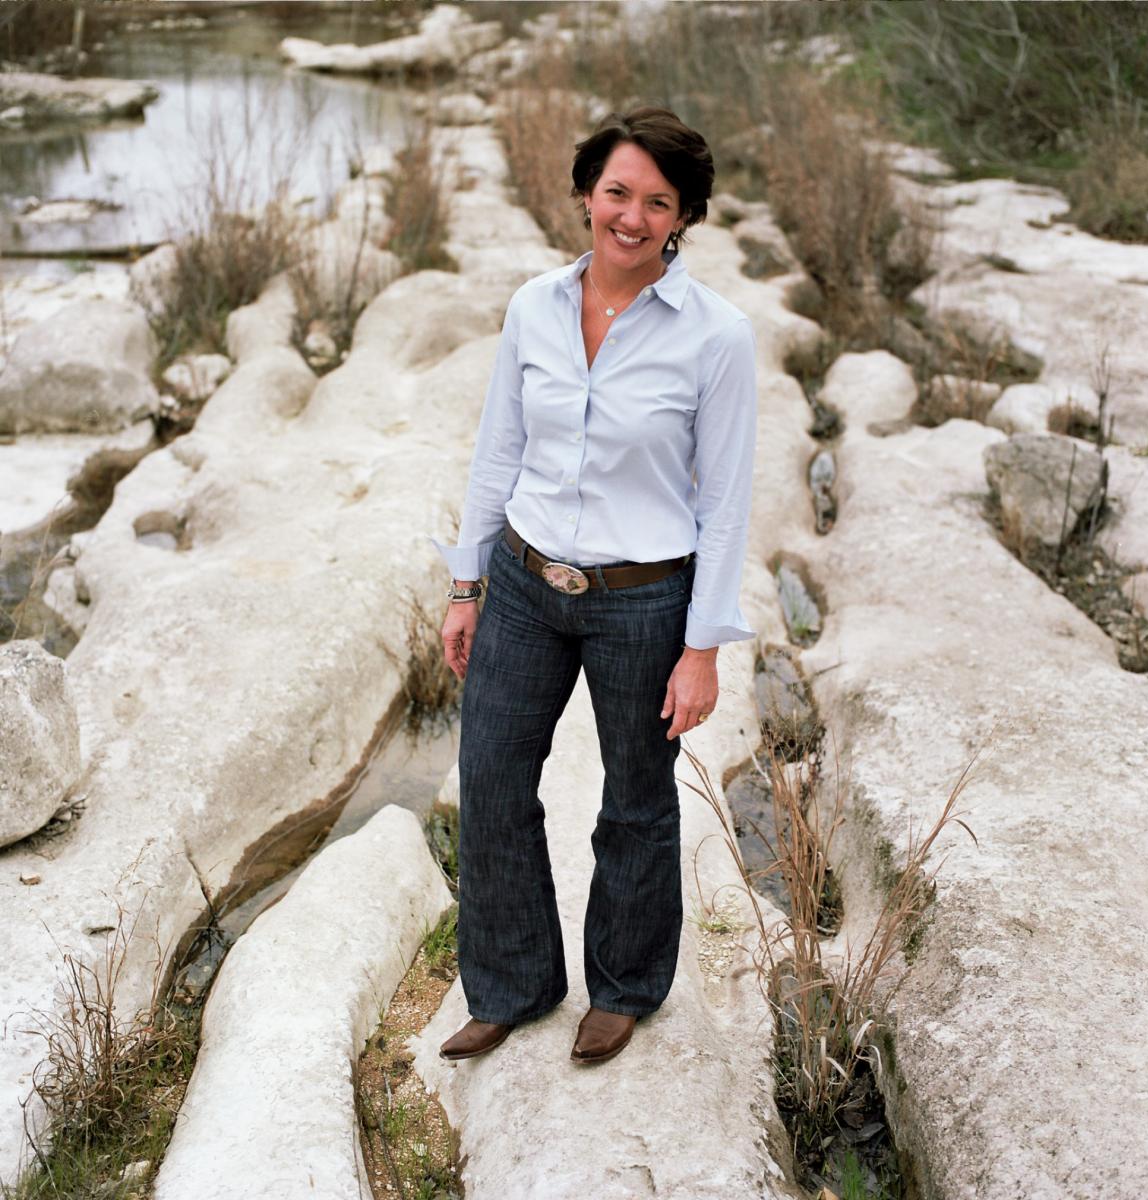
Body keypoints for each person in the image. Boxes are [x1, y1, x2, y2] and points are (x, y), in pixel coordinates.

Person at [431, 107, 757, 1066]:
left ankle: (622, 987)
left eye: (658, 202)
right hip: (525, 583)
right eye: (617, 191)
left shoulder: (718, 337)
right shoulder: (533, 305)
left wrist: (701, 649)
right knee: (490, 783)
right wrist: (465, 583)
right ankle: (513, 984)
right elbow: (499, 449)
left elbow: (726, 503)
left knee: (635, 802)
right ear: (585, 194)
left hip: (643, 601)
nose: (631, 216)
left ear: (682, 218)